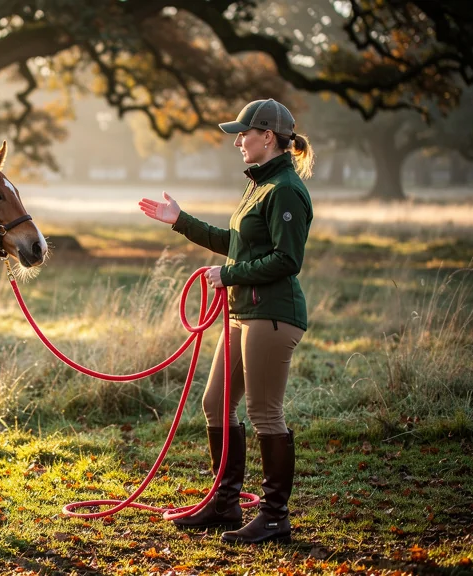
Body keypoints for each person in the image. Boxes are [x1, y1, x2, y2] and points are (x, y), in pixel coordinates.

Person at [138, 98, 314, 544]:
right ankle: (225, 503)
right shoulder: (259, 186)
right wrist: (179, 221)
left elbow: (287, 260)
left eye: (244, 133)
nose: (238, 140)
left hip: (273, 316)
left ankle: (275, 517)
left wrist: (228, 275)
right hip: (244, 313)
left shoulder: (286, 190)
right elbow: (234, 243)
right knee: (216, 402)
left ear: (267, 137)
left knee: (263, 412)